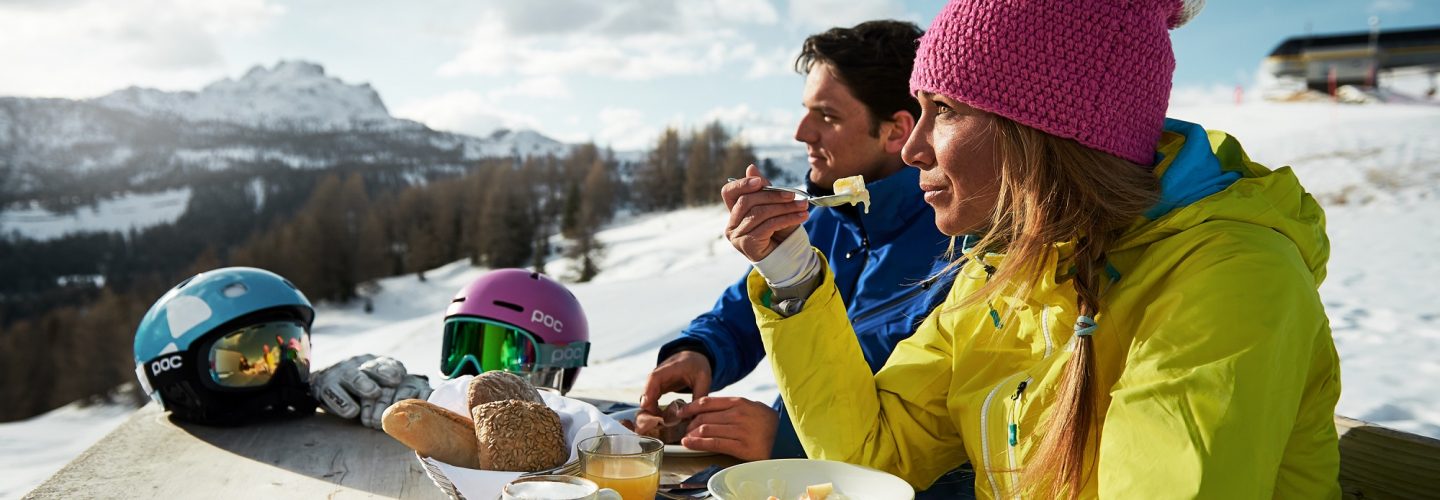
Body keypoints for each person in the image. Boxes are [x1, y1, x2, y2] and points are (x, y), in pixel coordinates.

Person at [722, 0, 1341, 498]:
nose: (912, 150)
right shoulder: (1008, 270)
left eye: (946, 112)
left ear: (1040, 134)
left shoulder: (1229, 280)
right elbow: (875, 455)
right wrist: (792, 271)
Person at [641, 19, 955, 464]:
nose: (801, 132)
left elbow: (938, 435)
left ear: (895, 132)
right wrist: (700, 352)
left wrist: (784, 439)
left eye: (826, 116)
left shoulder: (956, 246)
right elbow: (745, 311)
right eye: (806, 110)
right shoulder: (830, 216)